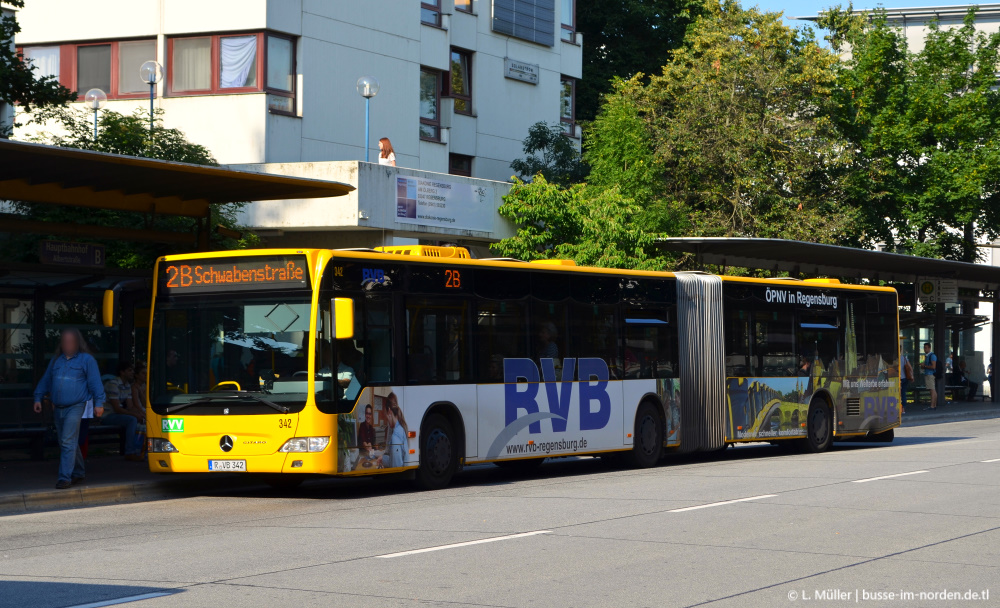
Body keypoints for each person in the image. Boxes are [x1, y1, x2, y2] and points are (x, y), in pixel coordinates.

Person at [32, 328, 106, 489]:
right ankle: (79, 472)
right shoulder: (56, 360)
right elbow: (46, 380)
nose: (67, 344)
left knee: (67, 441)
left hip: (76, 405)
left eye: (71, 341)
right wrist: (38, 397)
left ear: (78, 342)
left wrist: (99, 403)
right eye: (64, 341)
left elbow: (95, 383)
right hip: (58, 407)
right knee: (66, 441)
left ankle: (64, 477)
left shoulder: (87, 360)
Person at [101, 361, 144, 461]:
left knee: (138, 419)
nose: (132, 373)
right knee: (131, 420)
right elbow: (117, 408)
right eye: (129, 370)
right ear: (122, 372)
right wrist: (135, 415)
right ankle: (130, 452)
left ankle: (141, 450)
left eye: (133, 370)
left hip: (117, 415)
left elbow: (130, 406)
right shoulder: (113, 384)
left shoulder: (127, 385)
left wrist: (142, 414)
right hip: (107, 415)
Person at [381, 392, 408, 469]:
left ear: (389, 411)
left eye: (387, 417)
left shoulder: (395, 436)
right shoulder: (401, 427)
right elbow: (395, 460)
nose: (388, 422)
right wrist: (383, 459)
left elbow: (396, 468)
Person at [921, 342, 938, 410]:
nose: (925, 349)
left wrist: (924, 366)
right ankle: (934, 405)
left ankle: (932, 405)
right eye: (924, 348)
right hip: (928, 374)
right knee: (932, 389)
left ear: (929, 348)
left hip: (930, 374)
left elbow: (933, 366)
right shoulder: (927, 356)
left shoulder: (932, 356)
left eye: (926, 348)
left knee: (932, 390)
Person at [900, 350, 913, 415]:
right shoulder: (904, 358)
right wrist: (912, 376)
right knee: (903, 394)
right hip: (905, 378)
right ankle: (903, 409)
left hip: (898, 379)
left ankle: (898, 408)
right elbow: (910, 367)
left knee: (897, 394)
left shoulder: (895, 359)